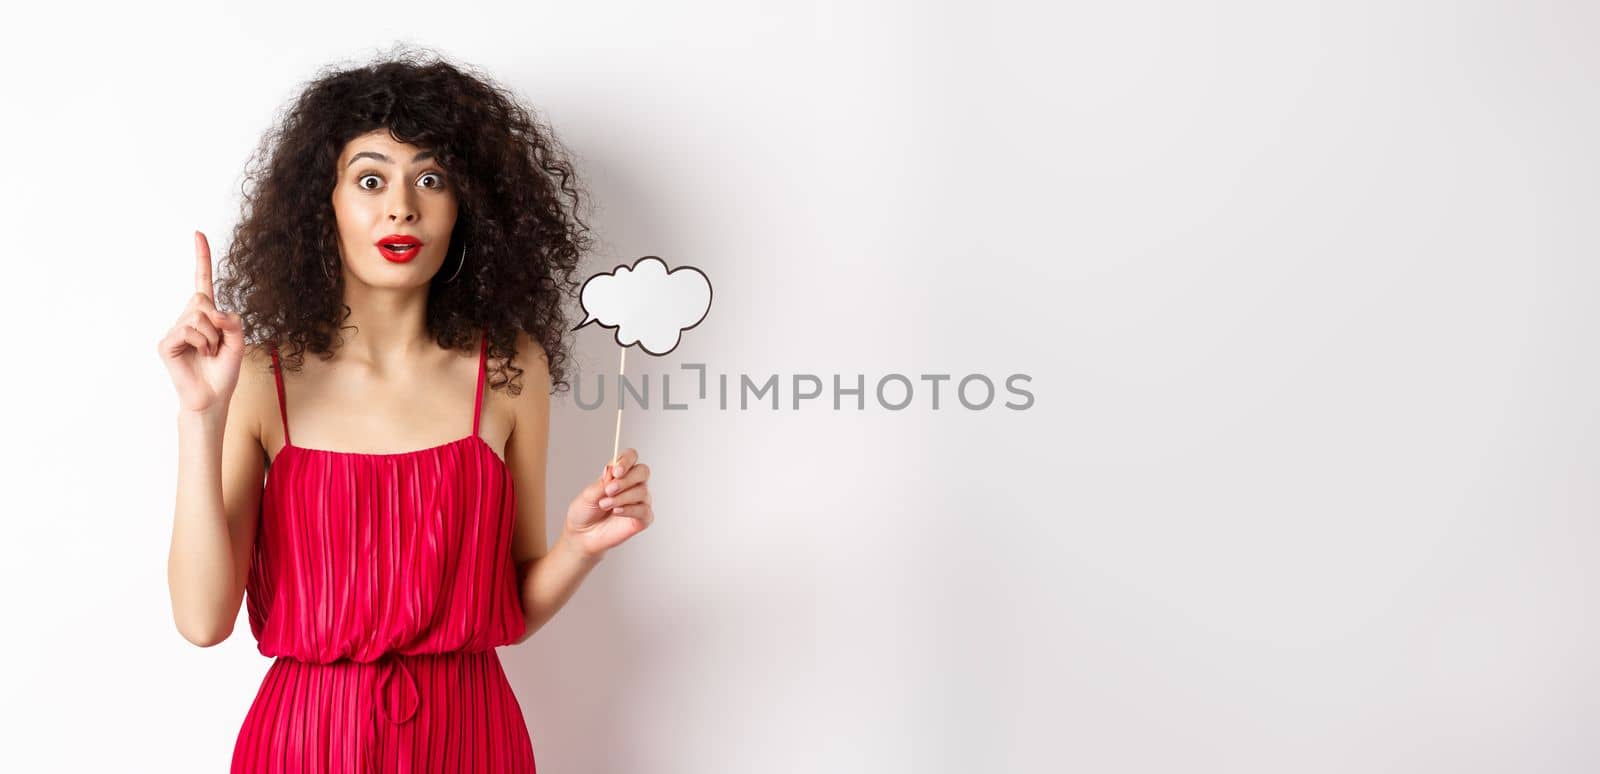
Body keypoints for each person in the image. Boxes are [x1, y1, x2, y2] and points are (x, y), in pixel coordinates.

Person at [157, 48, 655, 772]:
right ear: (320, 203)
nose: (402, 206)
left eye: (431, 178)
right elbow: (203, 622)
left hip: (472, 739)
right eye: (370, 179)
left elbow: (508, 613)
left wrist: (580, 545)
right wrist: (201, 418)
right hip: (307, 743)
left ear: (467, 206)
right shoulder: (263, 377)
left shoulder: (509, 371)